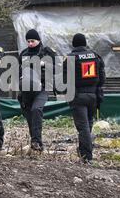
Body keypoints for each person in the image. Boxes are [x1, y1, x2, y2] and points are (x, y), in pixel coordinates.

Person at [65, 33, 105, 163]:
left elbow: (65, 79)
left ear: (74, 44)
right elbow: (102, 77)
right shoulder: (96, 56)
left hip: (78, 96)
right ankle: (83, 151)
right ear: (85, 43)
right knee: (88, 124)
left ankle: (87, 156)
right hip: (93, 96)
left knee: (83, 127)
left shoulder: (70, 58)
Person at [18, 29, 57, 152]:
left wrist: (44, 65)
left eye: (32, 41)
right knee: (29, 115)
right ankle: (35, 142)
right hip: (26, 89)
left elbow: (59, 68)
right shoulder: (23, 54)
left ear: (39, 40)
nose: (30, 43)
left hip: (42, 87)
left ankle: (36, 141)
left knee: (36, 110)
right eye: (28, 41)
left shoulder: (47, 52)